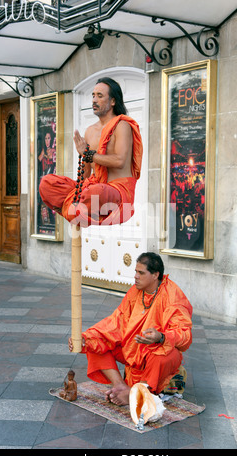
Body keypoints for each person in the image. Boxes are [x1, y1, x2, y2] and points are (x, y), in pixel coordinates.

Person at [68, 252, 193, 406]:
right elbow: (116, 322)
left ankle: (136, 393)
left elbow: (185, 335)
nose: (136, 276)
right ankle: (120, 385)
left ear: (155, 275)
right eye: (135, 272)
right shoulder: (135, 292)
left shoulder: (173, 295)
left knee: (163, 356)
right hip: (133, 349)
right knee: (95, 343)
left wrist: (161, 337)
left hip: (156, 353)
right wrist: (84, 339)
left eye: (141, 273)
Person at [39, 77, 143, 227]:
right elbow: (85, 174)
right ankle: (77, 207)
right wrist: (74, 191)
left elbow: (119, 161)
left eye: (100, 96)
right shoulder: (90, 131)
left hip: (117, 192)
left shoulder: (122, 125)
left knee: (95, 193)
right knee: (46, 183)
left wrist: (88, 154)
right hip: (93, 188)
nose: (94, 100)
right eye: (93, 95)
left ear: (113, 101)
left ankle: (77, 209)